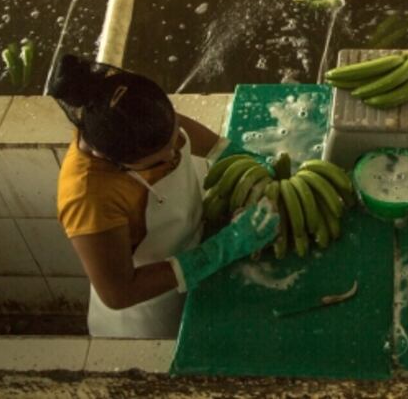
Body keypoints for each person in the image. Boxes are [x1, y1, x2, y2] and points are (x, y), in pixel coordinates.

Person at [50, 54, 278, 338]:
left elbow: (177, 131)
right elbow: (118, 293)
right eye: (157, 161)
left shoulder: (137, 109)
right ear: (114, 160)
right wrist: (225, 247)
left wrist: (230, 152)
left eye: (173, 139)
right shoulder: (88, 198)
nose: (173, 156)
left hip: (197, 261)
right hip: (151, 314)